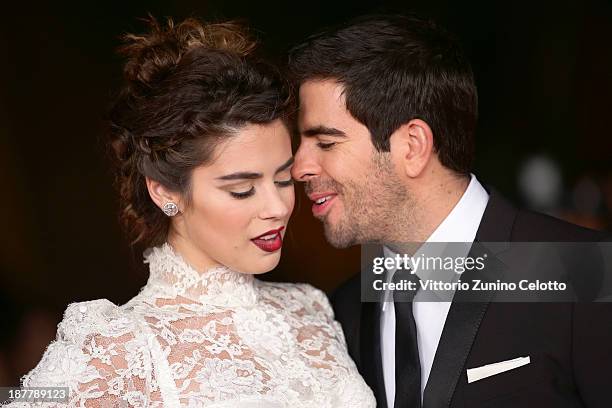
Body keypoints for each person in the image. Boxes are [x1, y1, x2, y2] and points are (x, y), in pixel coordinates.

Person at [9, 17, 375, 407]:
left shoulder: (310, 309)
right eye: (242, 189)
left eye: (284, 179)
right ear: (165, 190)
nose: (278, 207)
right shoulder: (122, 348)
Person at [289, 14, 612, 408]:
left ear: (412, 146)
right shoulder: (342, 310)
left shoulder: (586, 275)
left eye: (325, 142)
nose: (298, 167)